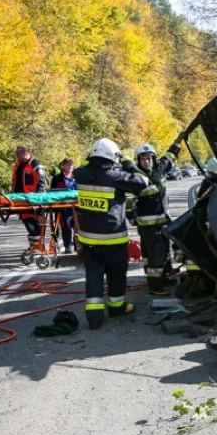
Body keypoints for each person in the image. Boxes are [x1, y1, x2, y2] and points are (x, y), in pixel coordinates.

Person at [74, 138, 150, 329]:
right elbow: (143, 182)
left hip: (88, 238)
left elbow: (84, 164)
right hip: (113, 238)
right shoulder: (114, 176)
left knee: (93, 275)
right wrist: (127, 163)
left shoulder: (80, 174)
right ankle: (116, 307)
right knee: (116, 274)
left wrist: (89, 158)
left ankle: (94, 316)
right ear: (112, 157)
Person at [132, 142, 181, 296]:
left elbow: (169, 157)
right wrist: (130, 216)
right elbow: (129, 199)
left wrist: (178, 142)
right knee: (156, 253)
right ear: (138, 160)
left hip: (162, 221)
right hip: (148, 225)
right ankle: (154, 285)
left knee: (164, 250)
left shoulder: (159, 171)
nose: (147, 161)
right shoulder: (136, 177)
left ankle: (164, 276)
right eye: (144, 159)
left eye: (150, 158)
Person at [11, 145, 46, 250]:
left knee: (37, 222)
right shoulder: (18, 165)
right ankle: (34, 245)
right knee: (27, 221)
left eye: (18, 153)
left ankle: (38, 245)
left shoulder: (35, 164)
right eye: (16, 153)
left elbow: (41, 180)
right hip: (21, 198)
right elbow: (14, 181)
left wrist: (37, 197)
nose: (17, 156)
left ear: (25, 153)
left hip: (34, 199)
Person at [50, 158, 77, 254]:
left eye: (71, 165)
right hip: (62, 207)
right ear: (63, 166)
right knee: (66, 227)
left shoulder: (77, 177)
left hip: (76, 207)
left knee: (77, 227)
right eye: (68, 165)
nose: (70, 167)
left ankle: (77, 245)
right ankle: (68, 246)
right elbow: (52, 193)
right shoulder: (57, 178)